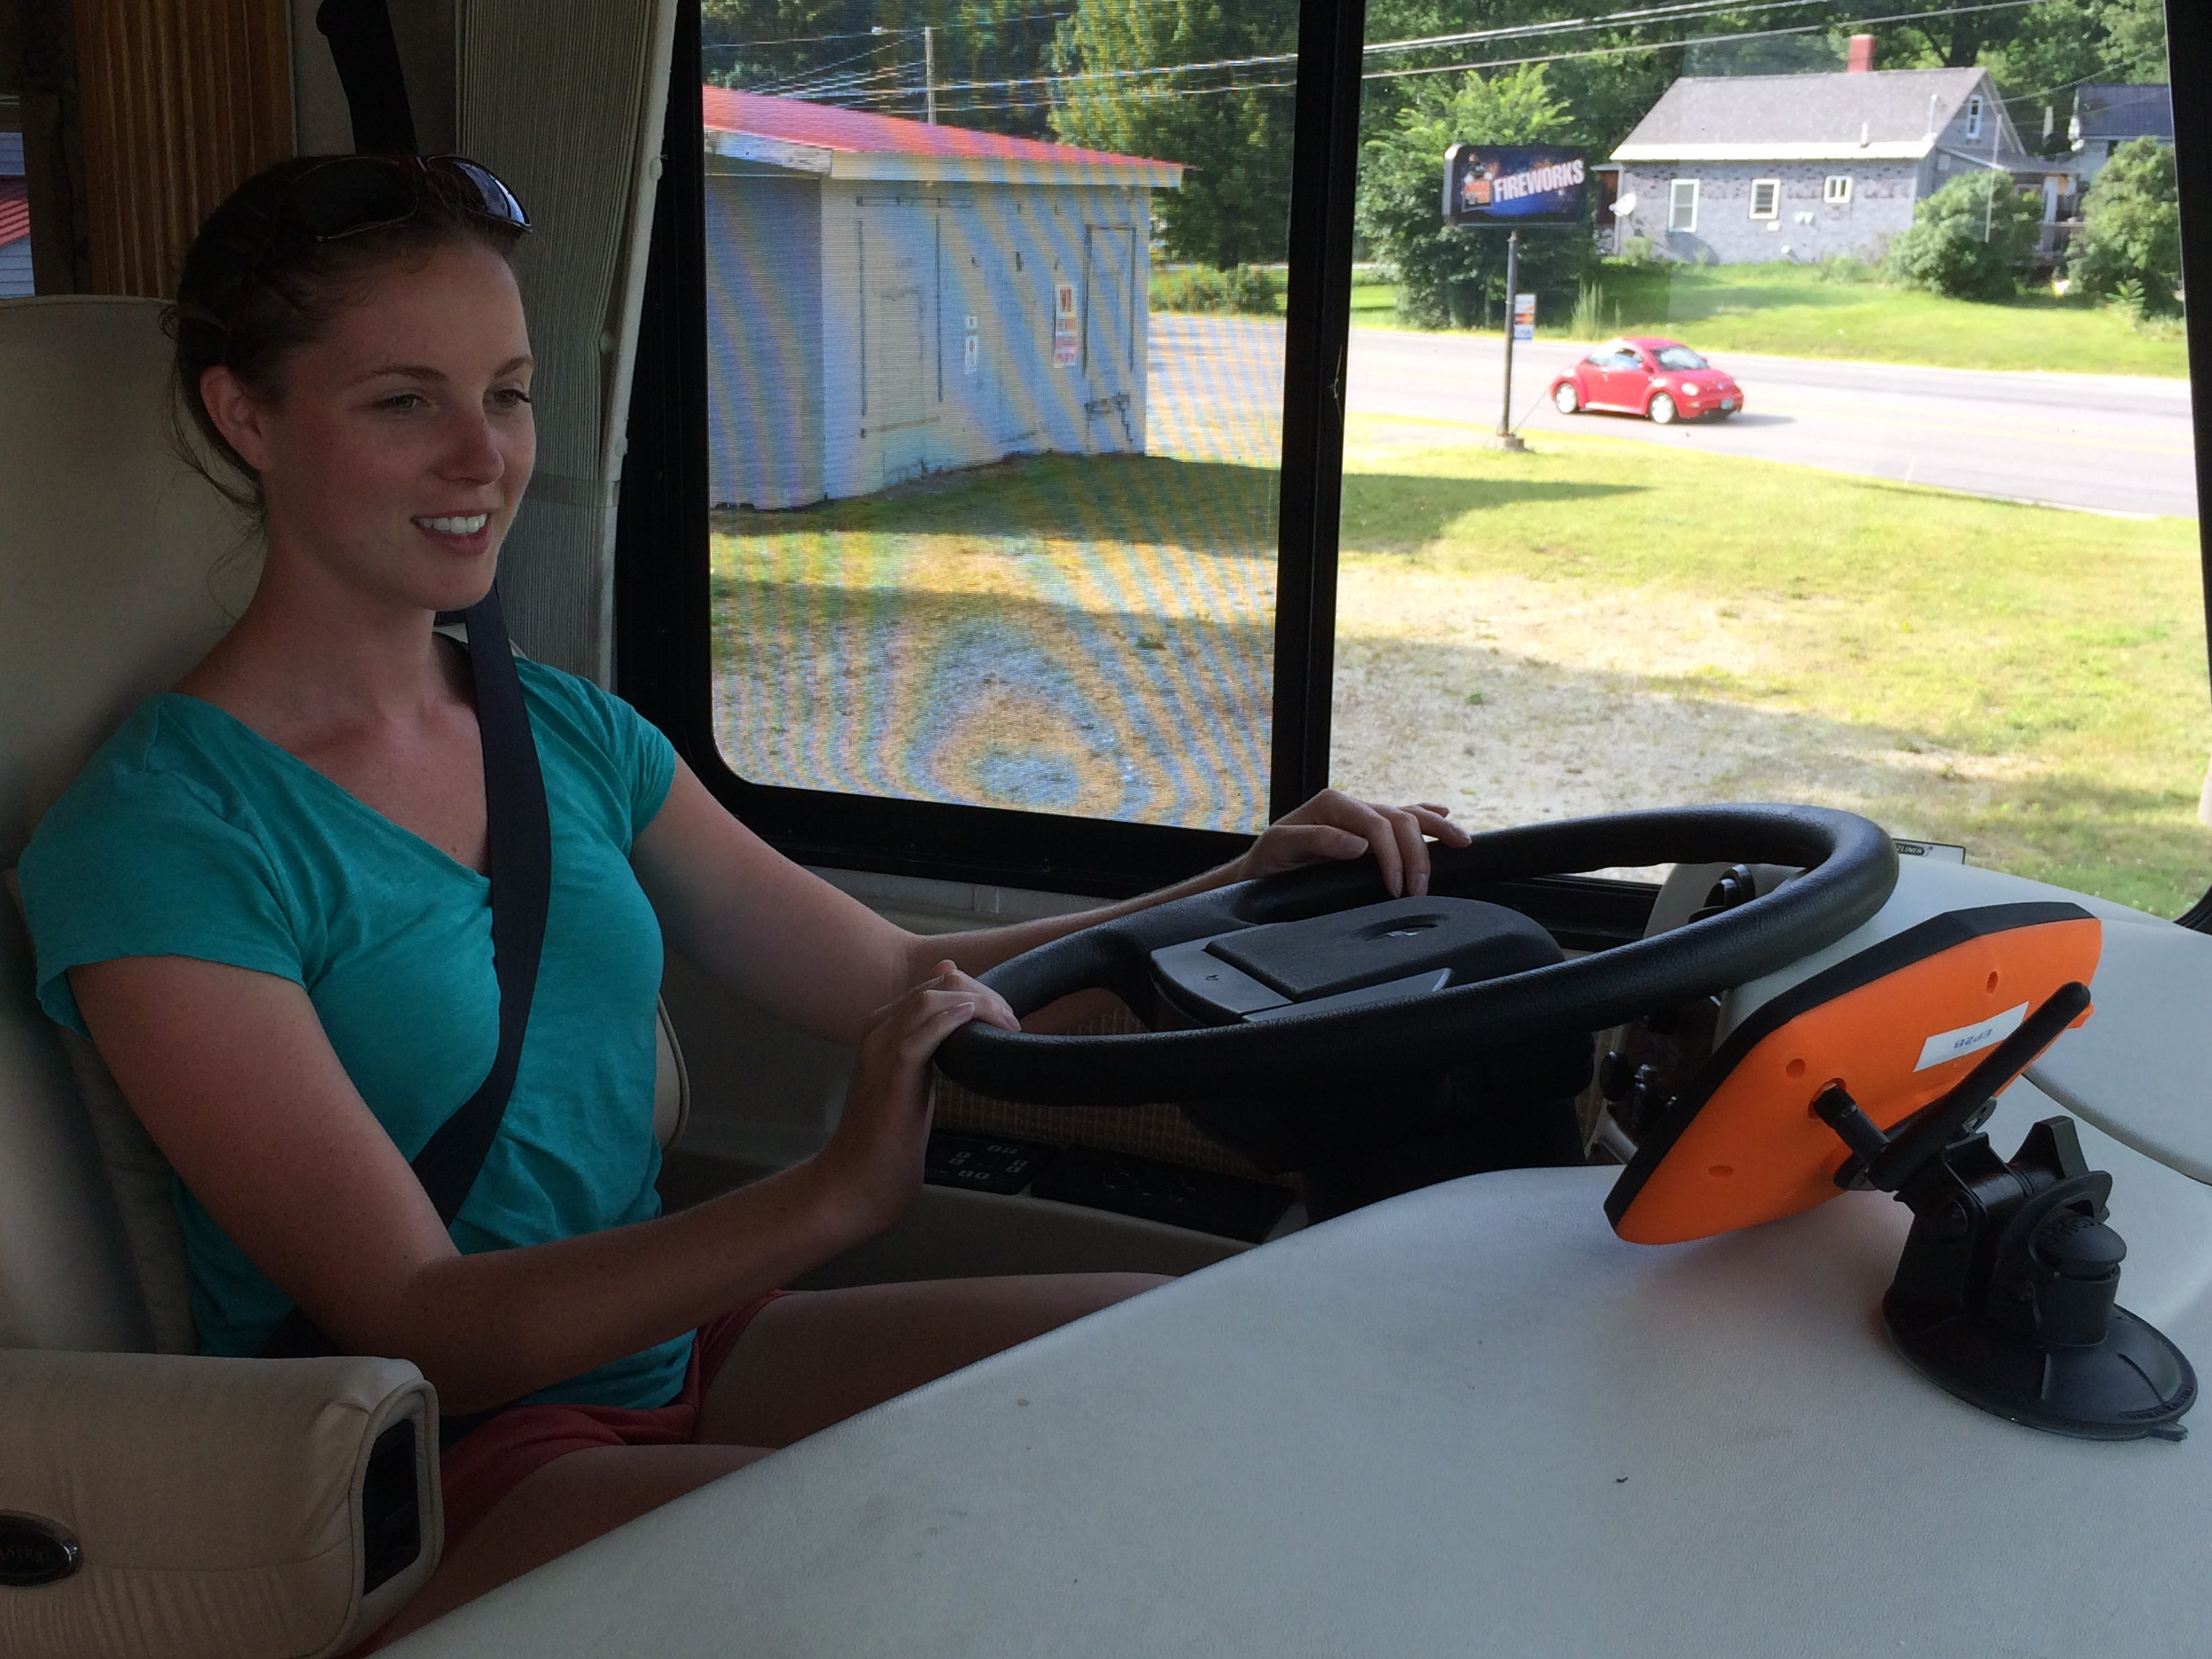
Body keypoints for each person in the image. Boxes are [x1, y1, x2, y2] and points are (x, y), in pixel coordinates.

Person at [14, 154, 1469, 1648]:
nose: (484, 458)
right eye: (404, 403)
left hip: (679, 1351)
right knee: (966, 1567)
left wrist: (1237, 888)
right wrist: (831, 1196)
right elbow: (416, 1314)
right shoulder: (162, 838)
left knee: (1208, 1361)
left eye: (508, 394)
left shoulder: (565, 732)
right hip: (444, 1464)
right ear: (245, 416)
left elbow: (889, 975)